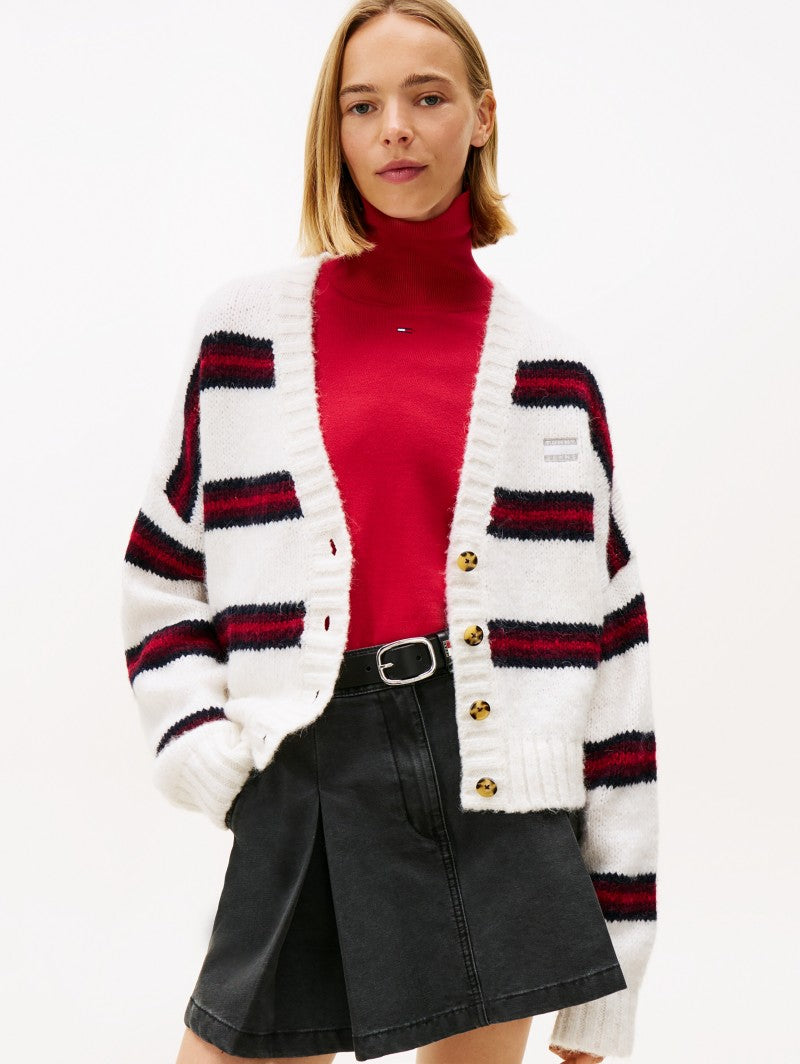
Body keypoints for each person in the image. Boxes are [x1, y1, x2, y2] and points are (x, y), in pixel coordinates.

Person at [120, 2, 658, 1062]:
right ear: (334, 129)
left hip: (497, 781)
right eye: (361, 105)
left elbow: (614, 656)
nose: (394, 129)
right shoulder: (241, 339)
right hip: (308, 762)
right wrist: (200, 739)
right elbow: (162, 570)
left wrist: (616, 971)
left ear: (482, 116)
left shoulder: (553, 377)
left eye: (427, 97)